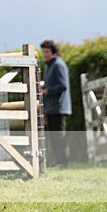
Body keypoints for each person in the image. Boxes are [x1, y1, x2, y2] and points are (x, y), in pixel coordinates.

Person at [40, 39, 72, 168]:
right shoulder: (49, 65)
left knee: (59, 137)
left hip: (59, 107)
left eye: (47, 52)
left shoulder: (59, 65)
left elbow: (63, 85)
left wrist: (47, 91)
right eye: (44, 52)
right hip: (51, 107)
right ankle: (57, 162)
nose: (45, 55)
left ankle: (64, 162)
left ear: (53, 52)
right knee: (53, 138)